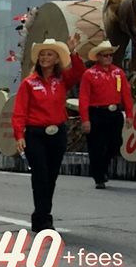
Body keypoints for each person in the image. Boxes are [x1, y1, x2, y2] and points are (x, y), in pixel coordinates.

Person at [12, 34, 85, 232]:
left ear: (56, 59)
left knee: (51, 177)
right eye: (42, 54)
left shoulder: (62, 80)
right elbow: (19, 111)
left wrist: (72, 51)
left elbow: (79, 73)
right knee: (40, 176)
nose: (45, 58)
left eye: (50, 54)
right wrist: (19, 135)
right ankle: (44, 218)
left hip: (58, 133)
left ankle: (41, 216)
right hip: (35, 135)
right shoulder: (29, 83)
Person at [78, 41, 134, 189]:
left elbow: (126, 95)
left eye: (110, 55)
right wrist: (85, 119)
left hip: (114, 113)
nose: (109, 58)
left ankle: (102, 168)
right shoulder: (89, 74)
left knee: (116, 143)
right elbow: (84, 98)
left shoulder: (118, 73)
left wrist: (129, 114)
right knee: (96, 146)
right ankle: (99, 176)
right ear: (98, 57)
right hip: (96, 113)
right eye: (105, 55)